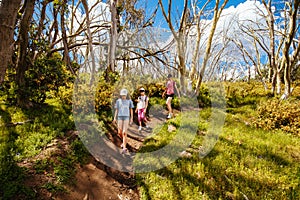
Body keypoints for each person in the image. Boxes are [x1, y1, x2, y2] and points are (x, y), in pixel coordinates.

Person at [113, 88, 134, 154]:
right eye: (122, 95)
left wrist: (131, 118)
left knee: (124, 132)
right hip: (119, 117)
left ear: (126, 95)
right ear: (120, 95)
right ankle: (124, 141)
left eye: (124, 95)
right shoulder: (118, 101)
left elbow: (131, 110)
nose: (123, 96)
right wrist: (114, 118)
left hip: (126, 117)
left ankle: (124, 148)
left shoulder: (129, 101)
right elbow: (117, 109)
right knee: (119, 132)